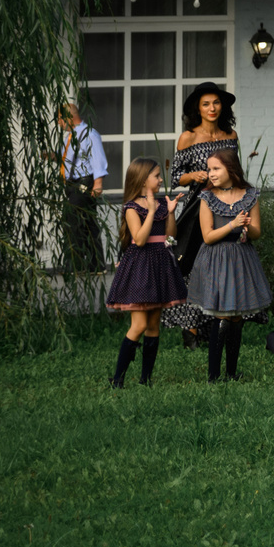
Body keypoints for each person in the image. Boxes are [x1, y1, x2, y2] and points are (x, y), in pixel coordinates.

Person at [163, 82, 239, 341]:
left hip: (227, 207)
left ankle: (215, 325)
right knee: (193, 266)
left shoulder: (231, 136)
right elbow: (174, 177)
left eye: (216, 103)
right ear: (198, 107)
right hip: (198, 210)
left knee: (220, 266)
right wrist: (192, 175)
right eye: (206, 104)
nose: (212, 108)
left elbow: (237, 173)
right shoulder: (188, 137)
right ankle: (190, 329)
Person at [188, 148, 270, 381]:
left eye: (216, 168)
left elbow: (256, 233)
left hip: (241, 259)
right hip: (216, 259)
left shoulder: (250, 195)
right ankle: (214, 374)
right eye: (209, 169)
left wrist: (246, 227)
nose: (210, 174)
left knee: (236, 316)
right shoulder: (207, 198)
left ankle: (232, 372)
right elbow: (208, 236)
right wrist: (232, 224)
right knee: (222, 315)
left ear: (231, 168)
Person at [106, 157, 185, 386]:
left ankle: (146, 379)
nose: (161, 180)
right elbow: (139, 240)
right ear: (142, 180)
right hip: (140, 267)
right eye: (157, 176)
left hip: (160, 265)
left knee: (153, 325)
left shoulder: (161, 203)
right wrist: (150, 212)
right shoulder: (131, 207)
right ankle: (118, 378)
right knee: (139, 325)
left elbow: (170, 238)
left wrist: (169, 212)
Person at [57, 102, 107, 276]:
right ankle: (96, 265)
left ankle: (76, 265)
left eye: (60, 119)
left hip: (84, 183)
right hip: (72, 184)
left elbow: (98, 158)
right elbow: (70, 161)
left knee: (73, 220)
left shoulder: (89, 134)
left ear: (69, 117)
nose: (59, 123)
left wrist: (98, 183)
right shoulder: (70, 137)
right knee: (87, 222)